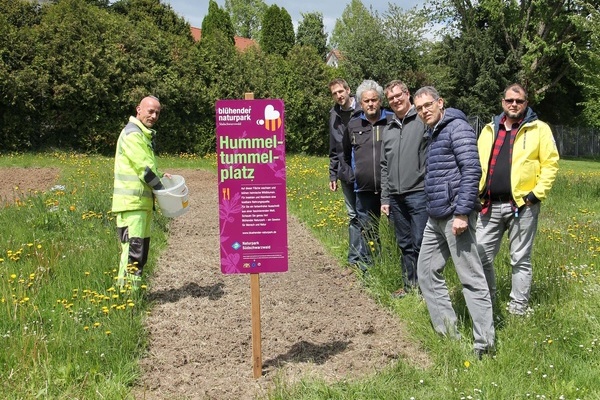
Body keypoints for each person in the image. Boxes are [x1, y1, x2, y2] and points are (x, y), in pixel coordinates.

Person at [413, 86, 495, 358]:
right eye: (419, 107)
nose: (424, 110)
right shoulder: (433, 133)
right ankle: (448, 334)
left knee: (470, 279)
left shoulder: (456, 127)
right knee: (425, 273)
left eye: (428, 105)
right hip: (435, 216)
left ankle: (485, 345)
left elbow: (472, 169)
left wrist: (462, 213)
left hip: (454, 215)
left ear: (440, 103)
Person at [477, 83, 559, 316]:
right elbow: (477, 165)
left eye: (519, 101)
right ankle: (487, 302)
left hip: (522, 206)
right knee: (480, 256)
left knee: (520, 259)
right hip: (489, 205)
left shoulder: (539, 129)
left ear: (526, 104)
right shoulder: (489, 129)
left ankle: (518, 309)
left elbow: (551, 164)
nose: (514, 104)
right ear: (503, 103)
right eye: (510, 100)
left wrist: (535, 195)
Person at [112, 96, 171, 289]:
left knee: (140, 251)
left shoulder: (143, 135)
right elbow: (144, 170)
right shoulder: (133, 134)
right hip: (131, 205)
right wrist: (163, 192)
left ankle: (133, 294)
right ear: (139, 109)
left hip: (141, 205)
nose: (154, 116)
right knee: (133, 252)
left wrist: (162, 175)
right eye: (150, 111)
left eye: (157, 113)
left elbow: (148, 167)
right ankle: (126, 295)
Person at [380, 80, 429, 298]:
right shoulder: (389, 128)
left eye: (398, 95)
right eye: (391, 98)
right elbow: (384, 165)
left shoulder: (421, 119)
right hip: (396, 197)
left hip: (419, 192)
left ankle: (425, 290)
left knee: (421, 243)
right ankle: (409, 286)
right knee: (405, 244)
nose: (395, 101)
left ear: (407, 94)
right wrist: (385, 197)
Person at [342, 79, 392, 270]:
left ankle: (393, 266)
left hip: (391, 189)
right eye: (366, 101)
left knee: (396, 232)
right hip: (363, 189)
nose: (370, 104)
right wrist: (352, 176)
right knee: (368, 231)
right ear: (361, 104)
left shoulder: (391, 121)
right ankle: (370, 269)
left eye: (374, 100)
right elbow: (345, 154)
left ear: (380, 101)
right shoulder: (353, 125)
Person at [328, 79, 362, 267]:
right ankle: (354, 258)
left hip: (366, 169)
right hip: (345, 171)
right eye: (335, 93)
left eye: (341, 91)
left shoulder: (363, 108)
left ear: (349, 90)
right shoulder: (334, 115)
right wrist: (333, 174)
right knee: (353, 215)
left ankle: (371, 256)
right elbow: (334, 147)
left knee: (367, 215)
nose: (339, 96)